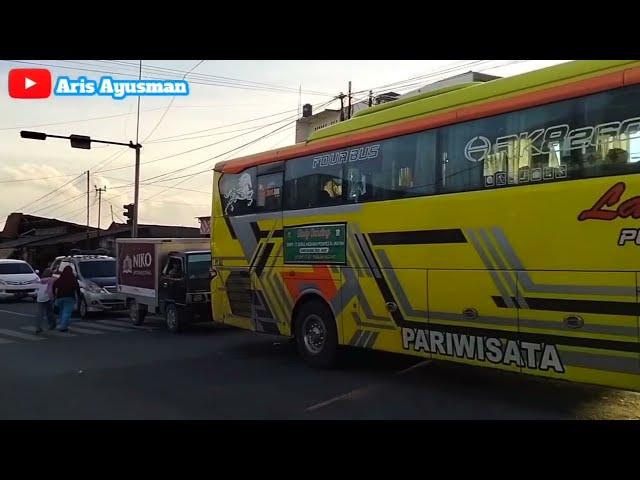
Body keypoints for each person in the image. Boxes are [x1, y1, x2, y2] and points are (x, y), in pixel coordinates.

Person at [52, 266, 81, 332]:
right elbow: (77, 288)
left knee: (61, 312)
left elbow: (54, 286)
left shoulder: (60, 279)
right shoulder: (73, 279)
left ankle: (62, 324)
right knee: (67, 312)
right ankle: (63, 327)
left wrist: (54, 295)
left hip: (60, 297)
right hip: (70, 297)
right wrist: (78, 297)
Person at [35, 268, 56, 333]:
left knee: (40, 314)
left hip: (40, 298)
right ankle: (52, 324)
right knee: (50, 312)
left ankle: (38, 328)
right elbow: (49, 290)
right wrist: (52, 298)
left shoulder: (39, 280)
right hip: (47, 298)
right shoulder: (51, 280)